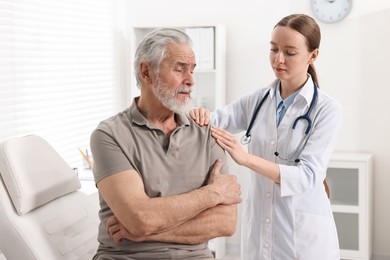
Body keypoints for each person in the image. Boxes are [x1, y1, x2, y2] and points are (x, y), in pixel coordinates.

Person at [191, 14, 342, 260]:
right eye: (273, 49)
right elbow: (216, 120)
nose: (278, 59)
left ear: (313, 55)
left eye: (290, 52)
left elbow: (308, 176)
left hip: (303, 239)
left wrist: (246, 159)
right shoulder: (258, 100)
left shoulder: (327, 110)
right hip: (260, 231)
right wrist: (200, 114)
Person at [90, 28, 242, 260]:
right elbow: (140, 218)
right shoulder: (109, 135)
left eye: (192, 70)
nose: (190, 80)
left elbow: (225, 223)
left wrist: (145, 233)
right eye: (179, 68)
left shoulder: (206, 132)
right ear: (146, 72)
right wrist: (212, 194)